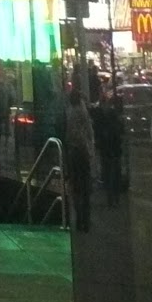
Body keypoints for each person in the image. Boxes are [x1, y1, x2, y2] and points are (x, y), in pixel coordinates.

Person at [64, 86, 95, 233]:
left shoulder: (69, 113)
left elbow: (67, 133)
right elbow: (89, 132)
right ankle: (86, 221)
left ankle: (78, 219)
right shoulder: (83, 113)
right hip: (83, 151)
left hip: (73, 151)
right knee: (85, 188)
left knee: (75, 187)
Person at [91, 86, 126, 209]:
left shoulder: (102, 115)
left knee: (110, 173)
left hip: (108, 149)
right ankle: (113, 198)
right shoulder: (110, 116)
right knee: (113, 174)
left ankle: (112, 198)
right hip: (112, 149)